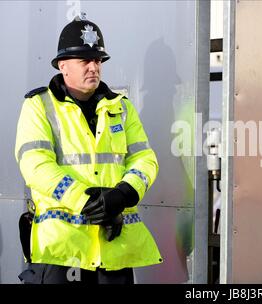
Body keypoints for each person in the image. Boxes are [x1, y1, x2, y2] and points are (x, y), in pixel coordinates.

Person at [14, 16, 162, 284]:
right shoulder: (39, 106)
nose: (94, 66)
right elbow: (36, 166)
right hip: (63, 251)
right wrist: (87, 203)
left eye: (98, 60)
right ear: (63, 66)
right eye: (84, 60)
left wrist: (123, 194)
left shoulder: (122, 108)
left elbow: (145, 159)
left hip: (113, 248)